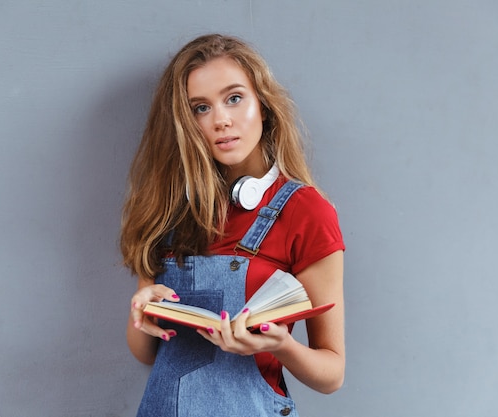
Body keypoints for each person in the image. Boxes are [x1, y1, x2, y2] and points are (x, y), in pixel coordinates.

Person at [121, 33, 345, 417]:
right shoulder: (168, 210)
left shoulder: (307, 212)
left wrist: (279, 346)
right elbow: (147, 355)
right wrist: (141, 313)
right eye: (200, 108)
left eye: (234, 98)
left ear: (264, 106)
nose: (221, 120)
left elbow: (332, 374)